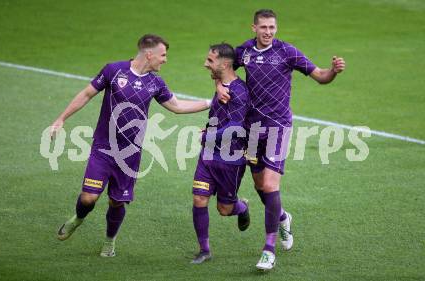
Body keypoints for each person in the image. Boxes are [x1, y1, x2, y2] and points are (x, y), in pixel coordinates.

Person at [50, 34, 210, 257]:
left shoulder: (155, 82)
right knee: (89, 197)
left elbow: (177, 106)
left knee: (117, 201)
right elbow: (86, 94)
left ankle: (109, 240)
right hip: (103, 147)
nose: (165, 60)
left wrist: (211, 102)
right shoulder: (114, 70)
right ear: (149, 54)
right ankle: (78, 218)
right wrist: (61, 118)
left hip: (130, 153)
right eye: (163, 55)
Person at [216, 9, 346, 270]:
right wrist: (219, 85)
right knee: (261, 188)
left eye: (272, 27)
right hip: (252, 128)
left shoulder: (287, 52)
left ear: (276, 28)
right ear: (253, 28)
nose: (268, 32)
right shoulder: (244, 51)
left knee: (270, 184)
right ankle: (283, 217)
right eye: (263, 27)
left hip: (278, 126)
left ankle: (268, 250)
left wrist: (332, 71)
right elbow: (222, 66)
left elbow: (319, 76)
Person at [191, 43, 251, 264]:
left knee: (224, 209)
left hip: (231, 159)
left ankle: (242, 207)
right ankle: (204, 250)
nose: (205, 64)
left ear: (224, 64)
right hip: (208, 155)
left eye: (210, 61)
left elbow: (235, 127)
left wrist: (207, 136)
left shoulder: (240, 92)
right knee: (199, 198)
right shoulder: (221, 84)